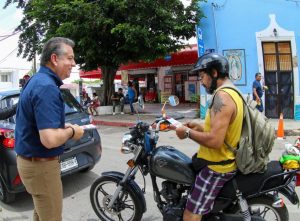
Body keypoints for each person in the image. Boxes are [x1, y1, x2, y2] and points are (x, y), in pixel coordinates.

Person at [14, 37, 84, 221]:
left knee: (41, 214)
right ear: (54, 59)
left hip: (32, 164)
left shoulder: (37, 80)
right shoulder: (46, 87)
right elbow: (50, 139)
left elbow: (41, 126)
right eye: (69, 58)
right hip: (41, 167)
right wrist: (72, 132)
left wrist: (63, 127)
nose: (73, 63)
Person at [175, 53, 244, 221]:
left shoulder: (222, 97)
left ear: (214, 73)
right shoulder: (233, 92)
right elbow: (222, 130)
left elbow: (215, 141)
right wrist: (200, 127)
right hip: (219, 161)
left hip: (217, 168)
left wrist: (187, 132)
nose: (202, 81)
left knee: (190, 215)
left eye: (202, 76)